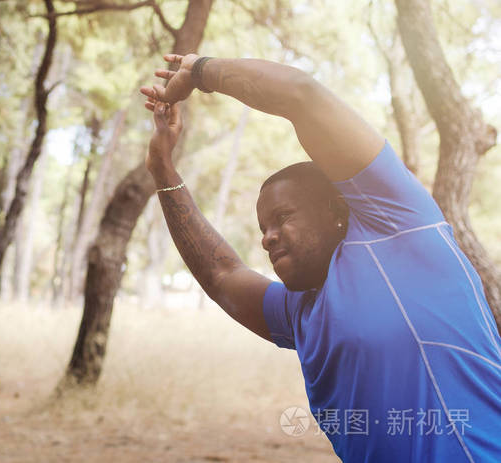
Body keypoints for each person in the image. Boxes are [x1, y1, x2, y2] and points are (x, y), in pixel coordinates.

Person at [140, 54, 501, 462]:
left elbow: (301, 96)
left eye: (282, 218)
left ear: (336, 211)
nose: (267, 239)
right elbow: (223, 275)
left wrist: (199, 71)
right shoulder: (300, 312)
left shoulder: (397, 227)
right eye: (263, 229)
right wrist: (163, 171)